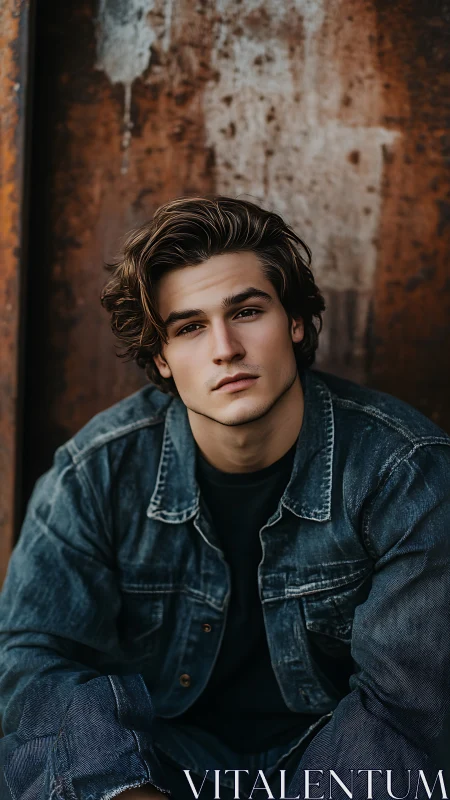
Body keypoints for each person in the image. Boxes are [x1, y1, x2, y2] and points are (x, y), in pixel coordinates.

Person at [0, 195, 449, 800]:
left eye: (246, 312)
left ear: (293, 320)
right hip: (158, 760)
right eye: (189, 327)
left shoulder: (405, 469)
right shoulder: (96, 471)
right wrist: (121, 790)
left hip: (339, 762)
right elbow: (33, 657)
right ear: (161, 357)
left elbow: (409, 701)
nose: (224, 349)